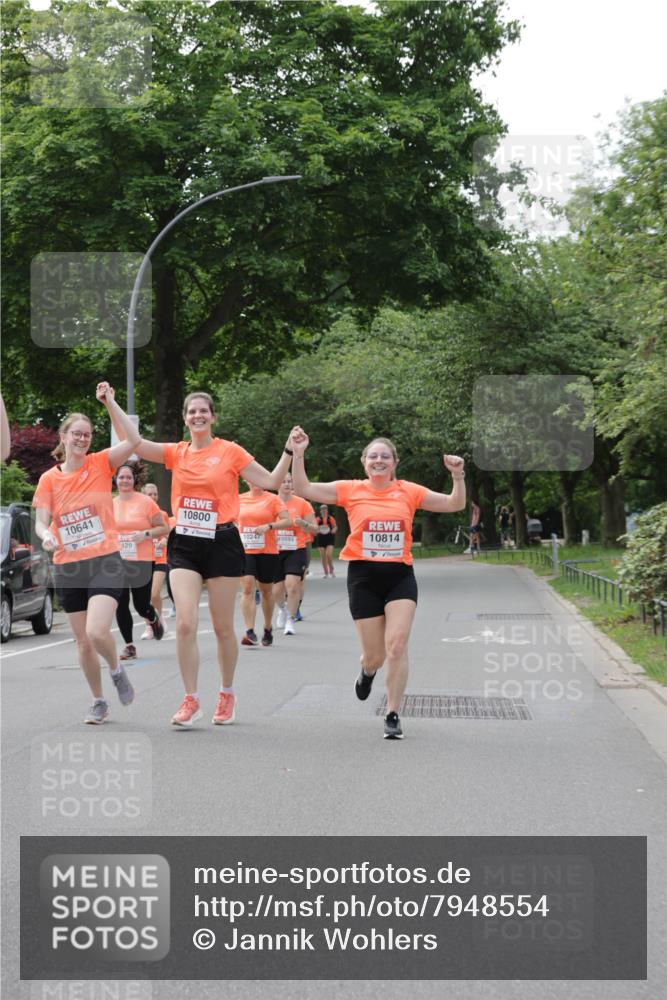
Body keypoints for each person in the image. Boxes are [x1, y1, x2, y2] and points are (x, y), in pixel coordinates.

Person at [108, 389, 297, 728]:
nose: (198, 416)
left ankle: (226, 693)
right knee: (184, 622)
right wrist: (110, 403)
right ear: (185, 418)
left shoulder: (229, 451)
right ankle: (190, 698)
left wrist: (289, 451)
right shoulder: (176, 453)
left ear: (213, 417)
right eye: (192, 411)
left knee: (225, 627)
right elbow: (134, 442)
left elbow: (269, 480)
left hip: (222, 541)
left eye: (203, 411)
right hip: (185, 542)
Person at [290, 431, 465, 740]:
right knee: (376, 656)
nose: (379, 461)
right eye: (373, 456)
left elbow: (454, 504)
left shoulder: (408, 491)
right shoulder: (350, 490)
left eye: (385, 456)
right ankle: (368, 671)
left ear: (395, 462)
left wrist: (458, 475)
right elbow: (303, 488)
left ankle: (393, 713)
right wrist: (299, 452)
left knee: (397, 645)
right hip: (363, 578)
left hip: (399, 576)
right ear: (364, 462)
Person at [32, 384, 142, 724]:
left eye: (88, 434)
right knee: (82, 642)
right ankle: (98, 701)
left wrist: (109, 402)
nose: (83, 439)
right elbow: (40, 523)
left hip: (105, 560)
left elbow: (134, 441)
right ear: (63, 438)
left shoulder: (100, 464)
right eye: (76, 434)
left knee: (97, 632)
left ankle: (116, 668)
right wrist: (47, 534)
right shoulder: (49, 480)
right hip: (69, 566)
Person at [113, 463, 169, 659]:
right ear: (115, 480)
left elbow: (163, 528)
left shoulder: (146, 502)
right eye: (121, 477)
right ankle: (129, 646)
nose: (125, 481)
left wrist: (144, 534)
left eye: (128, 477)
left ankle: (153, 618)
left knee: (140, 604)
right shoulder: (111, 504)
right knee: (120, 603)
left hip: (141, 559)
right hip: (118, 560)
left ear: (135, 480)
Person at [238, 484, 290, 647]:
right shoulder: (239, 499)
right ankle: (250, 631)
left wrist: (269, 526)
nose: (255, 481)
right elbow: (229, 519)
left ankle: (267, 627)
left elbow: (287, 521)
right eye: (251, 478)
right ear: (246, 480)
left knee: (267, 591)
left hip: (267, 550)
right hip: (245, 550)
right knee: (247, 588)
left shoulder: (272, 499)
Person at [272, 472, 317, 634]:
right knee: (276, 591)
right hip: (275, 550)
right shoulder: (270, 502)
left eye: (289, 481)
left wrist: (303, 523)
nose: (286, 484)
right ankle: (282, 609)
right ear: (277, 484)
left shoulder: (302, 503)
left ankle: (290, 620)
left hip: (296, 549)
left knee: (292, 586)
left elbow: (315, 528)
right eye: (283, 481)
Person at [140, 482, 171, 636]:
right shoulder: (137, 515)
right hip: (143, 559)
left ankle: (159, 619)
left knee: (154, 593)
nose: (153, 497)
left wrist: (165, 540)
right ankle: (150, 625)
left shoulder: (162, 514)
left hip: (160, 558)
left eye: (155, 494)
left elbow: (169, 532)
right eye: (149, 494)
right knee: (145, 596)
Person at [315, 504, 337, 578]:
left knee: (329, 554)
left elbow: (335, 527)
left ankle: (331, 569)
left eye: (325, 509)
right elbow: (314, 528)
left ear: (327, 511)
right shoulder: (318, 519)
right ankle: (326, 573)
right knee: (323, 556)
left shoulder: (331, 518)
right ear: (320, 511)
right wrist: (317, 530)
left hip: (329, 537)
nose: (324, 511)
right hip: (321, 538)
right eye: (322, 510)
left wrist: (334, 530)